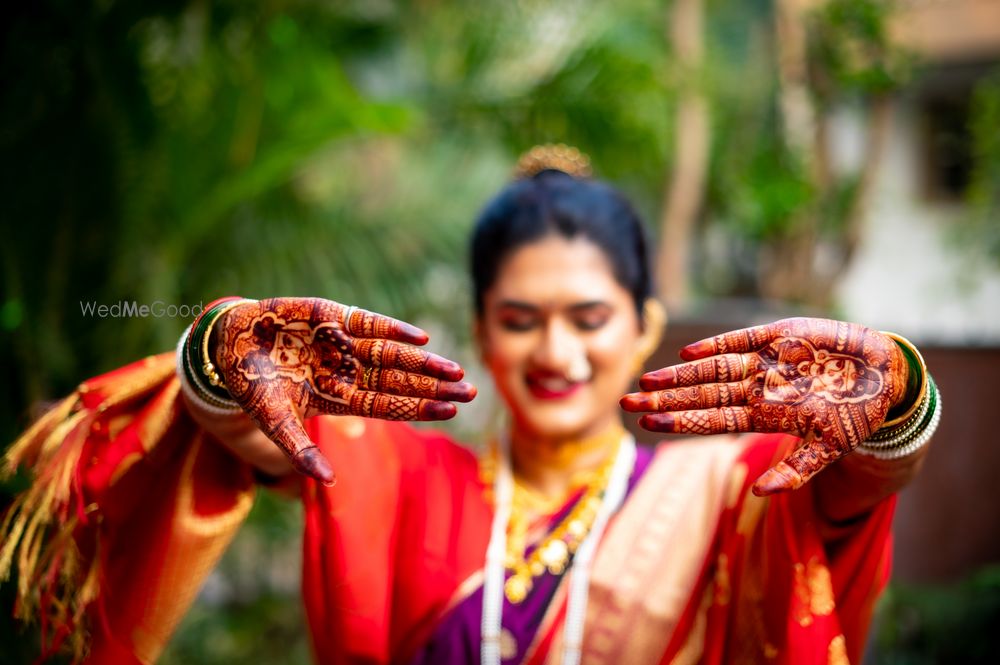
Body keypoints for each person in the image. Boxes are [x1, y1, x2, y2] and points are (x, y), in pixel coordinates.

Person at [0, 145, 940, 665]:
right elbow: (249, 424)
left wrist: (894, 406)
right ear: (483, 332)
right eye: (521, 319)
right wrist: (223, 356)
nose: (557, 350)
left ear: (646, 322)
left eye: (590, 316)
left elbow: (853, 495)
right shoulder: (407, 475)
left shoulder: (730, 492)